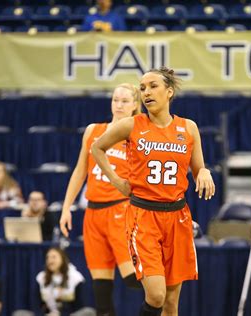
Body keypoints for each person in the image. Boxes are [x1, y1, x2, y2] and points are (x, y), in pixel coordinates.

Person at [91, 66, 215, 316]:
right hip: (144, 216)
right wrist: (117, 181)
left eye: (153, 86)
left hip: (178, 218)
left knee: (171, 303)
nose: (146, 92)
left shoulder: (188, 128)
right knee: (156, 295)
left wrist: (205, 172)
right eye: (143, 88)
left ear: (169, 92)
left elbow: (199, 166)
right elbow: (97, 148)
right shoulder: (131, 125)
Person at [59, 83, 142, 316]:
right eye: (116, 100)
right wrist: (66, 208)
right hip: (93, 214)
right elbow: (79, 171)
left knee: (133, 279)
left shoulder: (137, 134)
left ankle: (167, 294)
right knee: (101, 290)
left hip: (120, 210)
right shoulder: (93, 130)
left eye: (125, 101)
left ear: (136, 105)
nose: (119, 105)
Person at [36, 247, 87, 316]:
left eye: (54, 257)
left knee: (89, 311)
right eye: (48, 258)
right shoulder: (41, 278)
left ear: (63, 259)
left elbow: (80, 307)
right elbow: (36, 306)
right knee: (20, 313)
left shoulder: (75, 278)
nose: (50, 261)